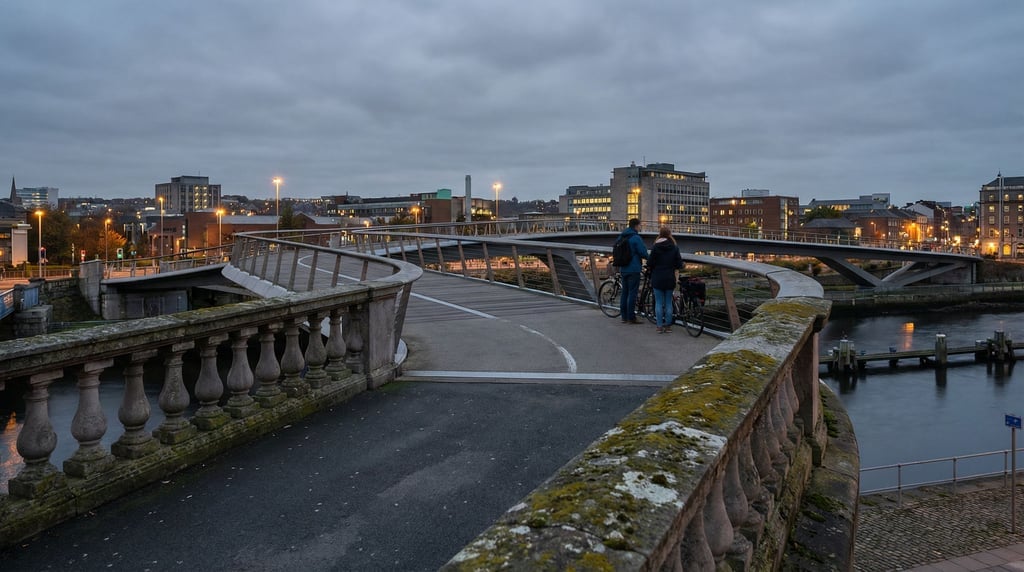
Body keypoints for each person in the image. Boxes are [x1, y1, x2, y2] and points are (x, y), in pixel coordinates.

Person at [647, 225, 683, 333]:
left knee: (658, 302)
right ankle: (668, 326)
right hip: (669, 278)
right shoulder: (674, 247)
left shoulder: (655, 247)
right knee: (668, 302)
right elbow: (678, 264)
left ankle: (659, 326)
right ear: (669, 234)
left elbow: (649, 263)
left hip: (657, 277)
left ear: (660, 234)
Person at [616, 218, 648, 323]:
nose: (640, 227)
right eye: (640, 225)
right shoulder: (636, 238)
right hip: (633, 268)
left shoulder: (621, 236)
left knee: (624, 292)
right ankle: (631, 317)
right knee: (632, 293)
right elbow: (643, 252)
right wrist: (651, 258)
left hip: (623, 268)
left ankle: (624, 317)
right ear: (636, 226)